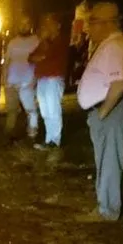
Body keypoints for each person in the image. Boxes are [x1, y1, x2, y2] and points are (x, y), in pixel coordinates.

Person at [76, 2, 123, 222]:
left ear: (107, 23)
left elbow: (119, 84)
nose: (87, 27)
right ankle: (105, 205)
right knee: (105, 158)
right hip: (112, 107)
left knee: (110, 159)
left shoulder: (114, 46)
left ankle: (107, 210)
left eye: (91, 22)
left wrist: (102, 113)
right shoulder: (111, 43)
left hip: (112, 109)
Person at [29, 13, 70, 148]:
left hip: (54, 78)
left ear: (58, 25)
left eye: (50, 23)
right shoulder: (44, 42)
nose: (47, 26)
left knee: (53, 109)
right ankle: (49, 139)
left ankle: (55, 140)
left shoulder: (61, 41)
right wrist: (41, 55)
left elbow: (48, 56)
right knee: (45, 111)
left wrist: (42, 55)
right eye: (46, 24)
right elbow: (31, 57)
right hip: (42, 78)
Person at [4, 17, 41, 141]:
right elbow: (7, 61)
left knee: (30, 110)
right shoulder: (13, 42)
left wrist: (35, 80)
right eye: (21, 24)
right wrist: (5, 81)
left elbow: (40, 60)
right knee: (11, 111)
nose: (24, 26)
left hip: (27, 82)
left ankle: (32, 135)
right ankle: (9, 135)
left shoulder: (36, 41)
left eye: (26, 23)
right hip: (11, 83)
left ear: (30, 25)